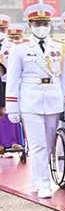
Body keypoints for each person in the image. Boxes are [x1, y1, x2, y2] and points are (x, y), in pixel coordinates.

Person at [5, 4, 65, 198]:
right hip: (30, 101)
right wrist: (12, 107)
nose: (42, 26)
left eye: (45, 23)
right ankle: (43, 183)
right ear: (30, 25)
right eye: (38, 23)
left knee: (49, 144)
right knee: (38, 144)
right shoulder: (20, 49)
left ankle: (39, 178)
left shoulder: (59, 48)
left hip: (54, 99)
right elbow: (13, 79)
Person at [0, 15, 23, 152]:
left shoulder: (14, 47)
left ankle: (13, 140)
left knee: (10, 113)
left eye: (3, 29)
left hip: (9, 83)